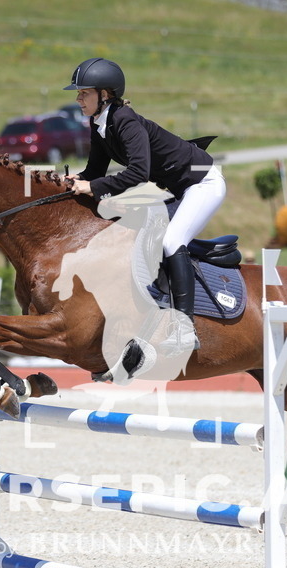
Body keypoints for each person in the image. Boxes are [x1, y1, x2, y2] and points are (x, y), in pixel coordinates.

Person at [64, 57, 225, 350]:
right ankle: (156, 303)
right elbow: (95, 173)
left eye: (83, 92)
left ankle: (185, 329)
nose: (78, 98)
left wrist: (93, 186)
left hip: (204, 183)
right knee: (134, 231)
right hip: (181, 188)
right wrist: (71, 181)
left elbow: (138, 172)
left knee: (172, 240)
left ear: (105, 94)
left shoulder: (125, 120)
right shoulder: (99, 123)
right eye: (78, 93)